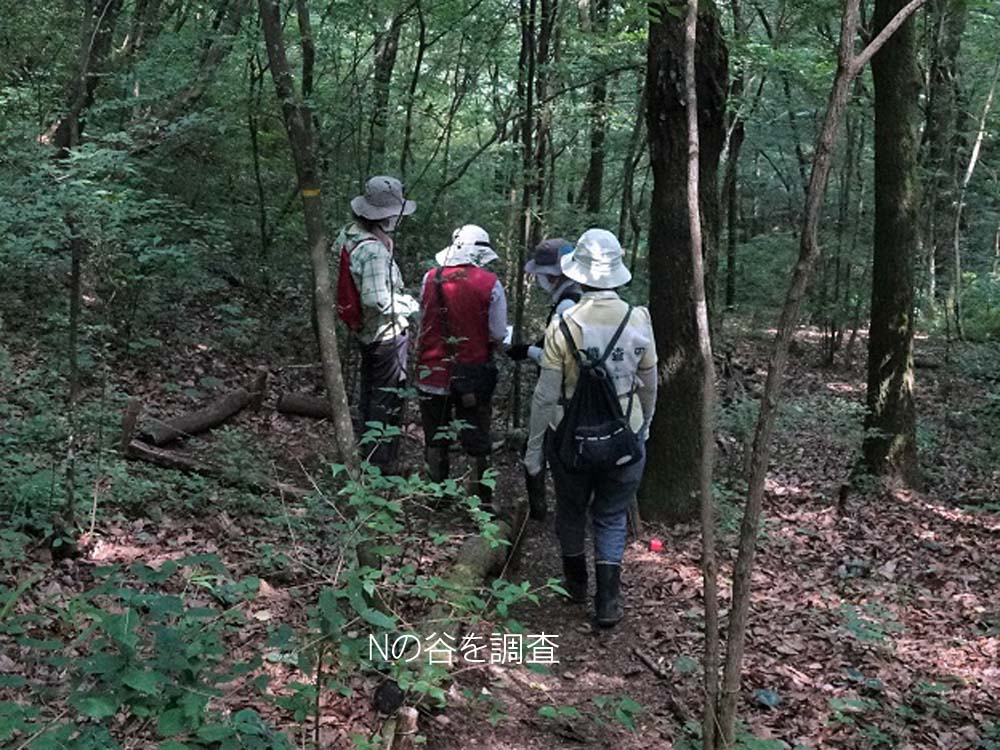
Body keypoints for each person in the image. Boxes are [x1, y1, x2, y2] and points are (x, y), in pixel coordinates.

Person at [523, 229, 658, 628]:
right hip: (625, 435)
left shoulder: (563, 325)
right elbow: (649, 385)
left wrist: (534, 450)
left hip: (570, 438)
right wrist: (644, 426)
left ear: (577, 273)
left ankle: (576, 585)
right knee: (611, 515)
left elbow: (545, 396)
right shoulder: (638, 320)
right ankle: (608, 601)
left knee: (571, 510)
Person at [416, 225, 508, 510]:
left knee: (435, 436)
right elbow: (497, 333)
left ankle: (437, 498)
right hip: (472, 374)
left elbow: (424, 321)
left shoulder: (430, 278)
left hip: (431, 371)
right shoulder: (490, 284)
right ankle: (482, 503)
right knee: (477, 436)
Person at [335, 176, 419, 473]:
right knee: (385, 399)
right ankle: (379, 465)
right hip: (384, 334)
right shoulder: (373, 251)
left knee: (372, 393)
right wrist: (412, 306)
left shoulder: (349, 235)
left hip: (365, 331)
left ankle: (367, 453)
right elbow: (377, 300)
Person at [508, 238, 583, 520]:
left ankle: (542, 513)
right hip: (576, 394)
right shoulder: (580, 297)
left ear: (553, 275)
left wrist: (528, 351)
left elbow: (556, 359)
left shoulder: (567, 305)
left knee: (538, 449)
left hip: (561, 395)